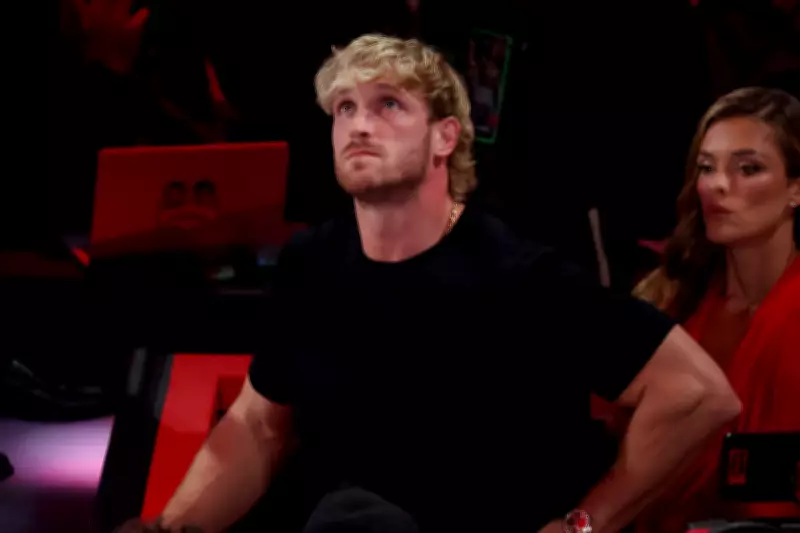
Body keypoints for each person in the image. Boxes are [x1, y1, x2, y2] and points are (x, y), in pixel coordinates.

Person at [155, 35, 740, 533]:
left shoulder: (519, 277)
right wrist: (164, 530)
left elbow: (696, 394)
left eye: (388, 105)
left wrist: (582, 525)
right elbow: (259, 426)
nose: (360, 125)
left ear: (445, 137)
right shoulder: (310, 264)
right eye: (345, 109)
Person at [634, 87, 800, 532]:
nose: (718, 185)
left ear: (796, 188)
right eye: (707, 168)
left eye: (749, 168)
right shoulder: (670, 295)